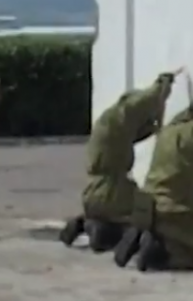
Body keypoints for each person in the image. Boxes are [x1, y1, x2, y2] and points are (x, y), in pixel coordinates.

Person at [58, 69, 181, 251]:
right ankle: (136, 242)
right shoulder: (123, 115)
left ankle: (88, 224)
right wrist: (162, 85)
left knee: (112, 216)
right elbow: (143, 101)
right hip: (112, 190)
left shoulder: (110, 126)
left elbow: (137, 132)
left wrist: (152, 124)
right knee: (149, 207)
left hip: (94, 192)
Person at [114, 97, 193, 271]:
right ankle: (161, 253)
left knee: (181, 237)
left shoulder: (168, 131)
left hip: (146, 204)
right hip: (173, 211)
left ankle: (150, 236)